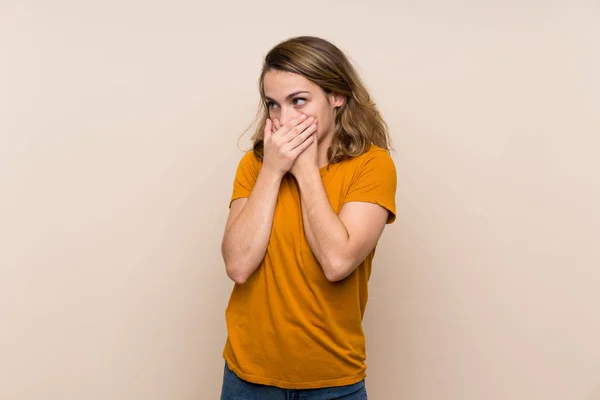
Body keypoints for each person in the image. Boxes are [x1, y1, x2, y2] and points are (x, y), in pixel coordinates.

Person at [220, 36, 397, 400]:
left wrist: (304, 170)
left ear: (337, 96)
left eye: (298, 101)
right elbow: (238, 265)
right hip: (248, 377)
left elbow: (336, 262)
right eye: (273, 105)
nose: (284, 120)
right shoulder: (254, 166)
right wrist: (272, 172)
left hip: (331, 383)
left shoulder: (373, 166)